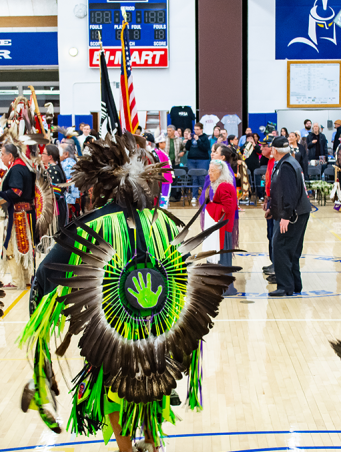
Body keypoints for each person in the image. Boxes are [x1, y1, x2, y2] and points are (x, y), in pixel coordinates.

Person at [21, 133, 237, 451]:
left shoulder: (94, 225)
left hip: (113, 330)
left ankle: (126, 449)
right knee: (151, 384)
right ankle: (151, 443)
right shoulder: (162, 221)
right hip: (159, 327)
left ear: (103, 185)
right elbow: (183, 273)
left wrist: (47, 316)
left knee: (114, 386)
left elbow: (44, 276)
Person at [268, 136, 312, 296]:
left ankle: (285, 287)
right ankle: (295, 285)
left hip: (293, 214)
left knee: (280, 247)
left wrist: (285, 216)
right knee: (292, 250)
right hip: (299, 211)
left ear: (275, 150)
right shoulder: (290, 161)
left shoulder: (286, 166)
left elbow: (290, 193)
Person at [0, 142, 36, 288]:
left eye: (2, 154)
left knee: (12, 248)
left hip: (18, 215)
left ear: (10, 156)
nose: (1, 157)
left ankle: (17, 281)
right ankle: (25, 279)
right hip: (25, 213)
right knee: (23, 248)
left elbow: (16, 191)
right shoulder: (22, 167)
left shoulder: (16, 169)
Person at [204, 159, 239, 295]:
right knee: (223, 257)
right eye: (209, 170)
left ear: (220, 172)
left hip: (223, 228)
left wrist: (211, 205)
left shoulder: (223, 186)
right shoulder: (222, 184)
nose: (209, 174)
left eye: (212, 171)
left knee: (223, 258)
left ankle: (225, 288)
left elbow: (229, 208)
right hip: (224, 227)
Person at [184, 122, 211, 206]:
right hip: (191, 160)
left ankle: (204, 196)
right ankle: (194, 196)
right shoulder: (192, 137)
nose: (195, 131)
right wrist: (189, 140)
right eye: (194, 129)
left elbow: (205, 148)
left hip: (202, 160)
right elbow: (187, 148)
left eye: (197, 129)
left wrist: (198, 140)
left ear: (201, 129)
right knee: (194, 178)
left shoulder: (204, 137)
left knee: (202, 178)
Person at [261, 136, 277, 277]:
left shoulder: (276, 162)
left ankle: (277, 265)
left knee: (274, 234)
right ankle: (274, 262)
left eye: (263, 146)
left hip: (276, 202)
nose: (261, 149)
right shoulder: (270, 161)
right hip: (270, 200)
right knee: (270, 234)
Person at [41, 144, 67, 227]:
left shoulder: (52, 170)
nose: (41, 155)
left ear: (50, 157)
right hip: (57, 206)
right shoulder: (54, 168)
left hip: (56, 208)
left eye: (43, 153)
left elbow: (56, 194)